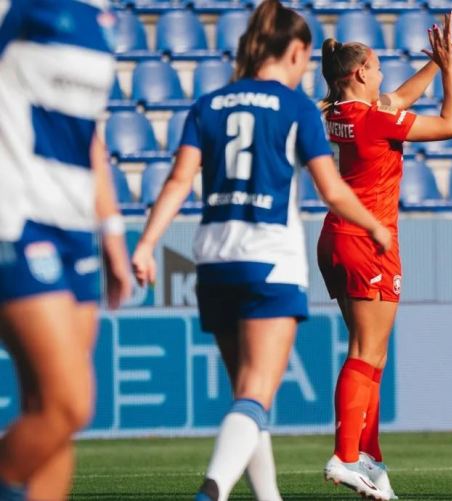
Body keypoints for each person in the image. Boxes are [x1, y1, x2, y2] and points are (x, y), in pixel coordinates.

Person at [129, 2, 391, 500]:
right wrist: (372, 224)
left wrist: (145, 244)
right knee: (254, 395)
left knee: (247, 399)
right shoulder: (295, 107)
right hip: (269, 260)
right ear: (294, 52)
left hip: (213, 260)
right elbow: (331, 189)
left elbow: (179, 180)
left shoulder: (209, 104)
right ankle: (213, 489)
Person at [316, 12, 452, 500]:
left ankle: (369, 458)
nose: (383, 74)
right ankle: (344, 456)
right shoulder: (375, 120)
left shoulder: (340, 112)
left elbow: (398, 98)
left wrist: (437, 61)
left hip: (336, 237)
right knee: (366, 353)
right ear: (360, 72)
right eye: (377, 66)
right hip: (370, 241)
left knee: (370, 356)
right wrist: (450, 72)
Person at [0, 1, 132, 500]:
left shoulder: (102, 15)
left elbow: (88, 134)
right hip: (17, 217)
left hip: (76, 228)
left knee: (54, 418)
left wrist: (111, 233)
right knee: (68, 403)